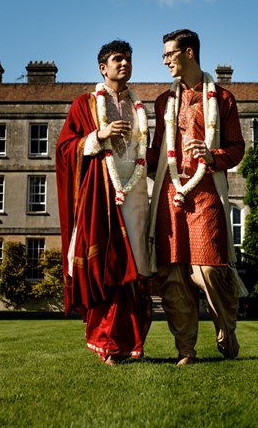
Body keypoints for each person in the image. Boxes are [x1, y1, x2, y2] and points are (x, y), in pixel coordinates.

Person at [148, 29, 246, 366]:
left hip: (205, 191)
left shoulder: (223, 98)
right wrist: (121, 158)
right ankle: (186, 349)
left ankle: (226, 326)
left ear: (188, 53)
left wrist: (211, 153)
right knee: (173, 274)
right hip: (170, 192)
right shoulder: (163, 102)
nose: (164, 61)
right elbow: (156, 152)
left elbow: (237, 150)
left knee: (207, 268)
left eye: (169, 54)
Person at [56, 39, 152, 365]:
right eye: (117, 59)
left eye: (127, 59)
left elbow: (145, 154)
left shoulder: (139, 106)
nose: (124, 64)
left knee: (134, 276)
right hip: (102, 196)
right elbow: (65, 149)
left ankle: (131, 346)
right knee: (109, 273)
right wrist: (99, 135)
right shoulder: (84, 105)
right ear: (103, 67)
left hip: (135, 197)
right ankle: (107, 346)